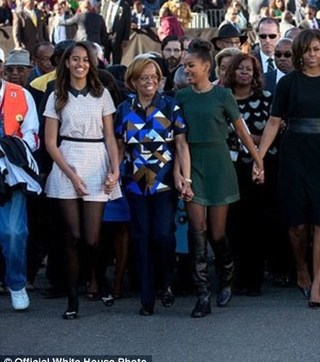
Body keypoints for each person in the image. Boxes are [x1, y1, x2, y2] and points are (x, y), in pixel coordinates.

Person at [257, 29, 320, 308]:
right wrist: (259, 158)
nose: (312, 55)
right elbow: (274, 122)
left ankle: (317, 284)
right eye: (307, 50)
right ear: (299, 53)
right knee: (296, 224)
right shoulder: (288, 84)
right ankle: (301, 267)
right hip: (293, 153)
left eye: (316, 50)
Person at [176, 39, 264, 318]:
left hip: (219, 165)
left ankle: (227, 275)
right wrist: (181, 174)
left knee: (217, 233)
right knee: (196, 230)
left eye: (190, 66)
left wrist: (258, 160)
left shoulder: (223, 95)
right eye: (184, 66)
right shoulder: (181, 97)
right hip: (193, 165)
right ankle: (203, 294)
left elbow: (241, 131)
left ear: (205, 66)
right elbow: (177, 141)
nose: (186, 70)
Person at [43, 41, 120, 319]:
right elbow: (51, 143)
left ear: (92, 63)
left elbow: (111, 136)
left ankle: (100, 280)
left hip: (96, 159)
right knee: (72, 236)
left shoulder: (102, 94)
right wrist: (71, 175)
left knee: (92, 238)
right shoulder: (56, 95)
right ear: (66, 62)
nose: (80, 64)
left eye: (85, 60)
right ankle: (72, 298)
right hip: (67, 161)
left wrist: (115, 169)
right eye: (75, 59)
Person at [114, 55, 190, 316]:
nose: (150, 82)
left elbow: (181, 145)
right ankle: (147, 298)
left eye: (154, 78)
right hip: (135, 182)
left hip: (165, 179)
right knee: (140, 237)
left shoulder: (171, 106)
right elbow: (119, 146)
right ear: (133, 81)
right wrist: (114, 172)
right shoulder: (124, 109)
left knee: (163, 235)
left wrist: (184, 176)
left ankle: (167, 282)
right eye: (144, 78)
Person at [223, 53, 273, 297]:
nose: (244, 73)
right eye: (240, 68)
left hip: (257, 169)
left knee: (256, 225)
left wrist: (250, 140)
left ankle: (254, 280)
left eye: (249, 70)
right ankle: (234, 277)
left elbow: (273, 135)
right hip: (227, 170)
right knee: (233, 225)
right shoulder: (222, 98)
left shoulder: (265, 99)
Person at [0, 48, 41, 312]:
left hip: (11, 174)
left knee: (13, 233)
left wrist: (6, 149)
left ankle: (16, 284)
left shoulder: (21, 95)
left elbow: (32, 136)